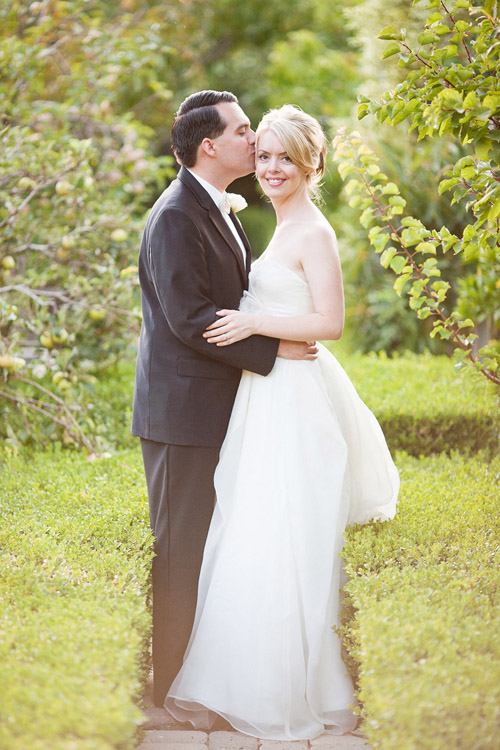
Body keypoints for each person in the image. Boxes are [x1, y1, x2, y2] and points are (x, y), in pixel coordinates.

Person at [164, 105, 399, 739]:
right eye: (263, 153)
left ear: (311, 164)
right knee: (248, 530)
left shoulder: (314, 232)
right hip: (265, 395)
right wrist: (261, 332)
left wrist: (254, 322)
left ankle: (288, 690)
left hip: (295, 403)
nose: (270, 167)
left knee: (285, 535)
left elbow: (329, 324)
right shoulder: (275, 225)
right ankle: (231, 681)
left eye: (284, 158)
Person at [131, 91, 317, 708]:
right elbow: (189, 318)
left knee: (213, 544)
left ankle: (202, 679)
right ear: (210, 146)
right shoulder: (177, 214)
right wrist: (275, 351)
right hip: (181, 415)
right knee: (181, 547)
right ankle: (168, 691)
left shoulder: (222, 208)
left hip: (217, 406)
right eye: (243, 132)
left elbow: (233, 303)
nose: (252, 141)